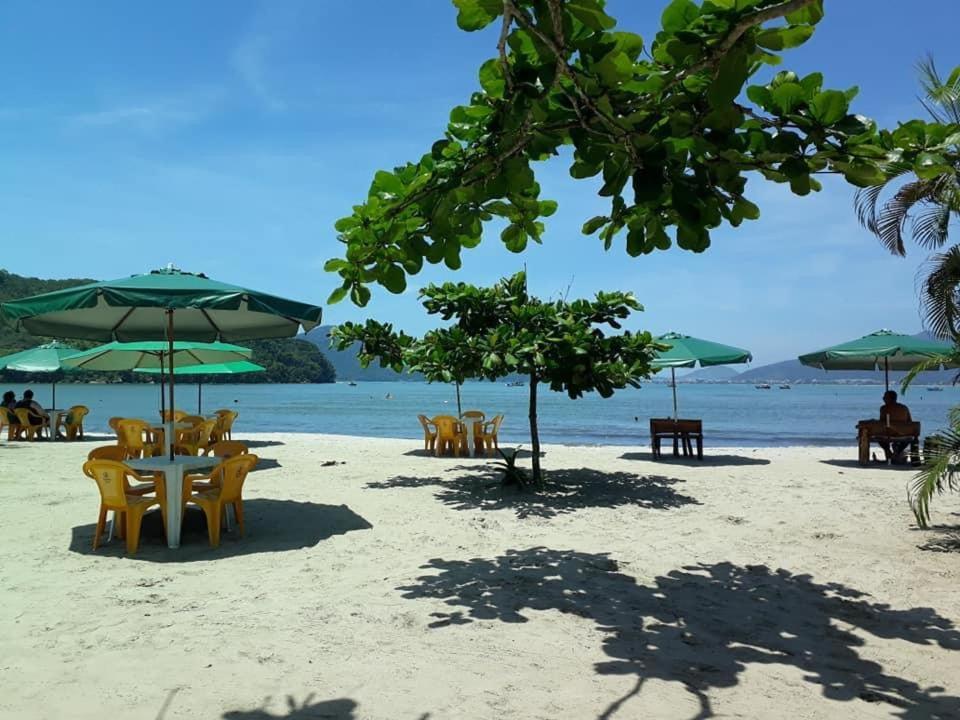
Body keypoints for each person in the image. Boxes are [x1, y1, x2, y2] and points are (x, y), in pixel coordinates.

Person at [878, 390, 912, 463]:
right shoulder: (904, 408)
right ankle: (897, 453)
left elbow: (882, 423)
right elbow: (910, 422)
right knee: (908, 439)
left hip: (888, 434)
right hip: (903, 434)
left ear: (890, 398)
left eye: (885, 397)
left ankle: (889, 452)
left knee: (878, 437)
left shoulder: (884, 408)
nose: (883, 398)